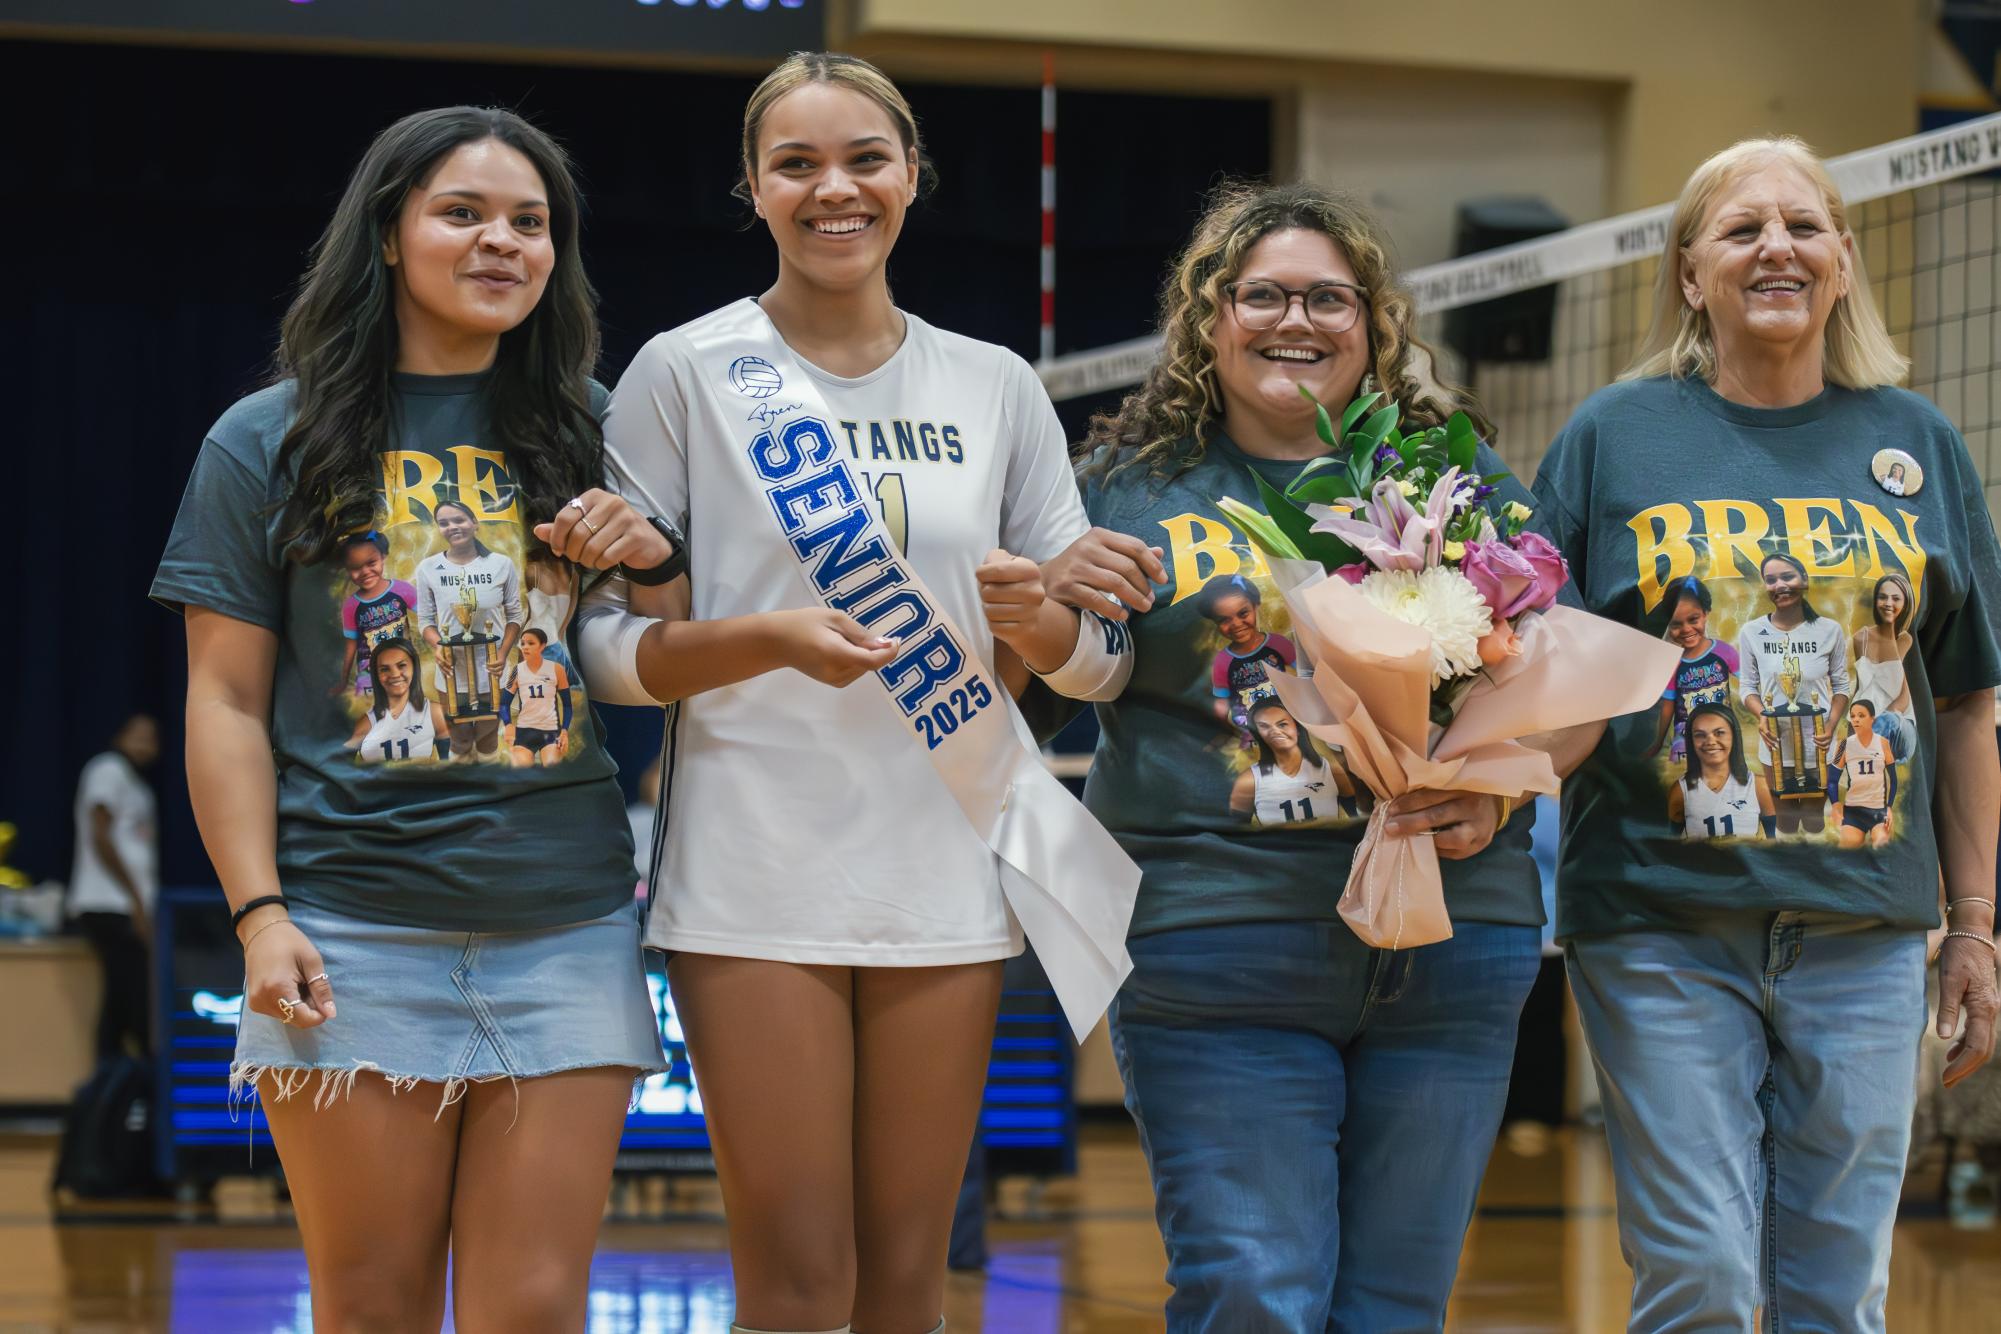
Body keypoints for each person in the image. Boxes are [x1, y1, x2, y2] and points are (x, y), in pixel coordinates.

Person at [572, 53, 1135, 1334]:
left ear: (913, 176)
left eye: (865, 158)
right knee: (798, 1279)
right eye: (798, 164)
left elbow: (1094, 660)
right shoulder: (685, 370)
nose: (836, 188)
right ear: (754, 190)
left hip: (945, 862)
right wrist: (763, 637)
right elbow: (606, 648)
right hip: (753, 870)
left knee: (907, 1282)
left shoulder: (994, 383)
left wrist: (1037, 616)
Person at [151, 107, 681, 1331]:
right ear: (387, 235)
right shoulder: (264, 438)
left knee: (534, 1308)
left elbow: (671, 644)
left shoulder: (593, 425)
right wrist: (259, 911)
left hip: (568, 924)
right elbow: (224, 700)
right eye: (463, 212)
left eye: (530, 223)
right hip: (348, 933)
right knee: (373, 1303)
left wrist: (658, 550)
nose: (502, 241)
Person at [1035, 179, 1566, 1331]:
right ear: (1209, 320)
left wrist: (1496, 790)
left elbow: (1558, 678)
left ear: (1374, 323)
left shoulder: (1452, 475)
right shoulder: (1126, 485)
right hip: (1218, 941)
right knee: (1253, 1294)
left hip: (1452, 940)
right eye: (1262, 293)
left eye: (1330, 296)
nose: (1297, 319)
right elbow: (1036, 702)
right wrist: (1038, 604)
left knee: (1395, 1309)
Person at [1530, 135, 2001, 1332]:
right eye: (1741, 229)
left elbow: (1964, 704)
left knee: (1839, 1294)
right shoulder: (1612, 434)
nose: (1776, 245)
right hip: (1658, 920)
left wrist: (1978, 927)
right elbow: (1535, 673)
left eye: (1803, 225)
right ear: (1692, 273)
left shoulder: (1920, 446)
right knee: (1702, 1278)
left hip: (1868, 933)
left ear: (1844, 258)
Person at [1738, 549, 1852, 831]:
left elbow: (1841, 687)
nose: (1780, 586)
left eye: (1787, 577)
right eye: (1771, 580)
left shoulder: (1829, 630)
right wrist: (1763, 715)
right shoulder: (1751, 632)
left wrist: (1831, 724)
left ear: (1804, 580)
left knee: (1814, 824)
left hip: (1819, 745)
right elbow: (1747, 688)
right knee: (1786, 824)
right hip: (1776, 744)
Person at [67, 714, 160, 1059]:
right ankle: (122, 1087)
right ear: (120, 736)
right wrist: (135, 899)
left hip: (128, 905)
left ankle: (116, 1090)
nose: (144, 744)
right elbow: (101, 835)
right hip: (108, 904)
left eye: (152, 739)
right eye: (137, 735)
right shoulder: (108, 770)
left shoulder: (138, 785)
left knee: (123, 1000)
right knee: (130, 1000)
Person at [414, 496, 524, 761]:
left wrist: (501, 654)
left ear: (474, 523)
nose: (452, 527)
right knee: (460, 738)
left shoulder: (501, 563)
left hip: (493, 671)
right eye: (444, 523)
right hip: (451, 672)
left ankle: (491, 783)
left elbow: (515, 617)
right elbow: (425, 621)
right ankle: (460, 784)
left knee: (487, 737)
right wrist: (439, 647)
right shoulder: (428, 568)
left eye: (459, 520)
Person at [1645, 575, 1739, 761]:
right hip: (1685, 736)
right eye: (1676, 624)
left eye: (1693, 619)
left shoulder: (1724, 652)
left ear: (1706, 613)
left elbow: (1752, 684)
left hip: (1722, 730)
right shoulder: (1673, 663)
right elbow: (1668, 706)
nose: (1686, 629)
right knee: (1688, 780)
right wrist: (1658, 742)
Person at [1194, 573, 1296, 741]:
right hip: (1250, 728)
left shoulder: (1278, 644)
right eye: (1224, 620)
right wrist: (1221, 725)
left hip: (1288, 717)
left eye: (1243, 614)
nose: (1236, 624)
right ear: (1215, 623)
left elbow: (1305, 673)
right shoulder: (1222, 661)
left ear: (1256, 607)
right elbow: (1222, 700)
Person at [1227, 696, 1351, 825]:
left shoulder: (1332, 770)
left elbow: (1360, 821)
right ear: (1257, 734)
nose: (1275, 731)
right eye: (1264, 726)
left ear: (1297, 728)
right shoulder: (1248, 781)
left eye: (1282, 724)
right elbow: (1239, 835)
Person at [1665, 701, 1773, 840]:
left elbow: (1776, 848)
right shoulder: (1680, 791)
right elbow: (1670, 850)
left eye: (1719, 733)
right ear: (1691, 741)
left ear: (1734, 736)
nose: (1710, 741)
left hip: (1745, 861)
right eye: (1700, 735)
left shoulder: (1759, 786)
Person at [334, 529, 419, 697]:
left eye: (371, 563)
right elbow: (351, 645)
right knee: (373, 718)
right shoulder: (351, 606)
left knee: (408, 709)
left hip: (403, 666)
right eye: (355, 567)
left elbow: (428, 618)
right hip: (369, 674)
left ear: (383, 557)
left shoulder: (403, 590)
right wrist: (343, 681)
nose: (365, 572)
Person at [343, 637, 448, 765]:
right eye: (385, 669)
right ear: (376, 675)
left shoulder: (434, 712)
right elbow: (339, 767)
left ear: (414, 667)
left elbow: (450, 767)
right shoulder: (365, 723)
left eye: (401, 665)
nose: (395, 674)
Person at [1853, 570, 1918, 759]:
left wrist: (1881, 718)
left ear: (1905, 604)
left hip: (1897, 722)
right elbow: (1860, 687)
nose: (1888, 603)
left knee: (1887, 723)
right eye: (1882, 597)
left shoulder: (1904, 639)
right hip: (1867, 718)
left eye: (1896, 598)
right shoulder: (1860, 638)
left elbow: (1902, 691)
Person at [1829, 699, 1897, 849]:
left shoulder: (1883, 743)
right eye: (1852, 716)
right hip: (1854, 811)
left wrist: (1889, 808)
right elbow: (1832, 780)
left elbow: (1893, 779)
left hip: (1878, 811)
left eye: (1861, 715)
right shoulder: (1844, 745)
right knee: (1846, 852)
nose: (1856, 719)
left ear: (1872, 718)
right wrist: (1835, 805)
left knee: (1882, 845)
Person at [502, 626, 571, 766]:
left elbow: (567, 705)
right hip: (524, 732)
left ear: (542, 646)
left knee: (553, 770)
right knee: (522, 773)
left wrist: (564, 731)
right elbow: (504, 704)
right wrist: (508, 724)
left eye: (531, 643)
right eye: (523, 643)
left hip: (551, 731)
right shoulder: (516, 671)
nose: (525, 647)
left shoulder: (557, 669)